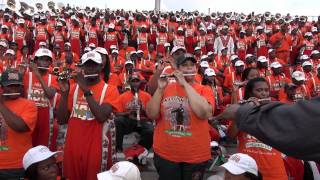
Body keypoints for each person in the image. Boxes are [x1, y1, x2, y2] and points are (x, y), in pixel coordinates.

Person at [146, 53, 214, 180]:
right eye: (184, 65)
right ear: (177, 69)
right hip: (166, 154)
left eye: (192, 65)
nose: (189, 68)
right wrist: (160, 89)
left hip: (195, 156)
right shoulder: (166, 88)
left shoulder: (204, 89)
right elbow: (151, 114)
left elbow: (204, 113)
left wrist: (185, 84)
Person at [56, 51, 120, 180]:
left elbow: (101, 116)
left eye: (94, 65)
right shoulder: (73, 88)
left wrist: (86, 90)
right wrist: (64, 95)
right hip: (72, 149)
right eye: (87, 65)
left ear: (101, 66)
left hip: (96, 151)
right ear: (82, 67)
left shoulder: (110, 90)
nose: (90, 68)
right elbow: (62, 119)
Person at [227, 77, 288, 180]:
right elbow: (231, 135)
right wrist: (245, 110)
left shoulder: (276, 109)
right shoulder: (243, 109)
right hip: (246, 170)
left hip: (273, 170)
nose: (264, 93)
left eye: (266, 90)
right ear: (250, 93)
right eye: (259, 90)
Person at [0, 69, 37, 179]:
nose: (13, 89)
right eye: (10, 85)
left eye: (16, 86)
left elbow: (20, 126)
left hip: (16, 166)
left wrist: (1, 105)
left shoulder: (29, 105)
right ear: (2, 87)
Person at [114, 73, 153, 152]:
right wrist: (128, 113)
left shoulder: (147, 96)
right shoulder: (123, 96)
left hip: (142, 120)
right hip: (129, 120)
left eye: (137, 81)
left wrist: (143, 109)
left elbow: (152, 114)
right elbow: (116, 113)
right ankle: (118, 148)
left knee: (150, 130)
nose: (135, 83)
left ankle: (141, 150)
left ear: (140, 82)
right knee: (118, 120)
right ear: (129, 83)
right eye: (133, 81)